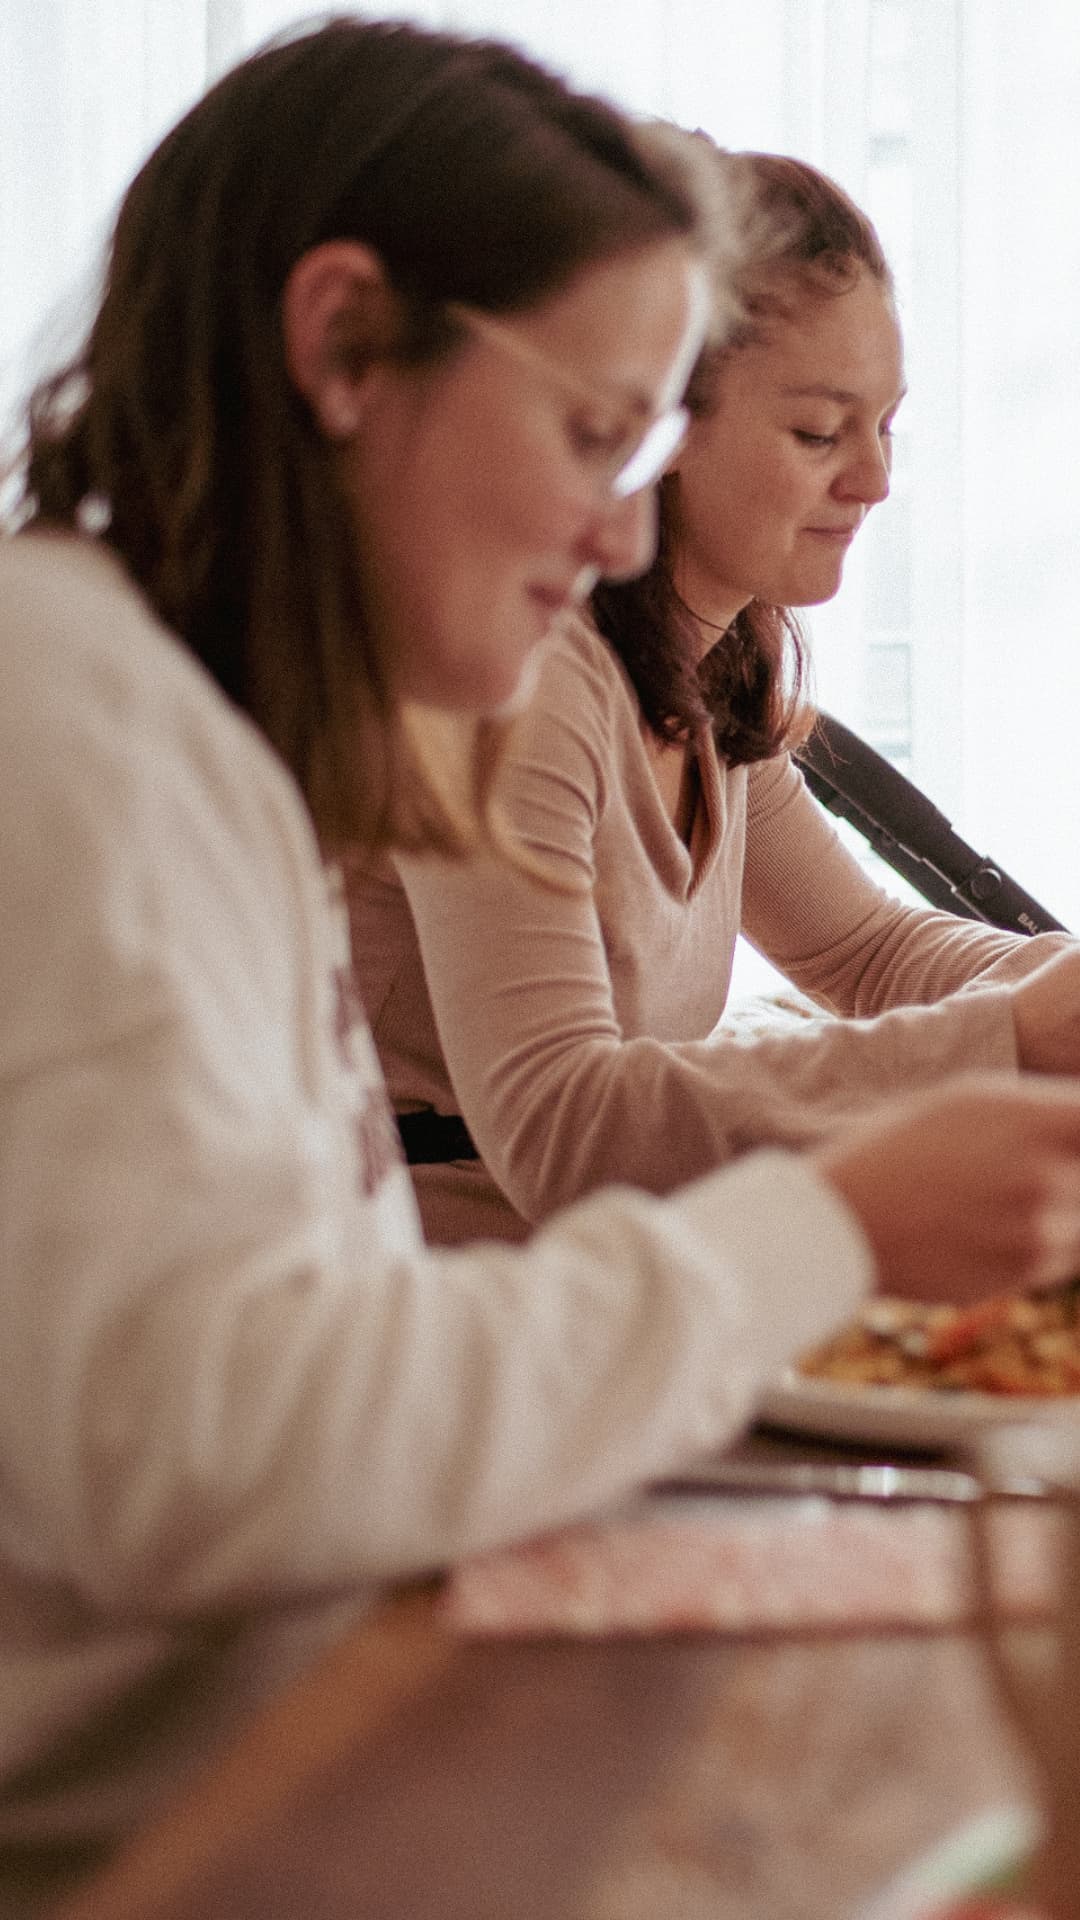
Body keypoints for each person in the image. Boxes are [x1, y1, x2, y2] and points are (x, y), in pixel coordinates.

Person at [5, 23, 1080, 1909]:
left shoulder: (206, 732)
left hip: (294, 1707)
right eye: (596, 437)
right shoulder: (74, 728)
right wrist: (831, 1224)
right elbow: (213, 1451)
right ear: (345, 346)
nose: (618, 529)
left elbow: (292, 1367)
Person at [348, 146, 1080, 1246]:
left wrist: (1055, 993)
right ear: (662, 423)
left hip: (611, 1275)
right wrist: (1015, 1034)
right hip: (440, 1294)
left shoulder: (710, 673)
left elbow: (863, 950)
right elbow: (560, 1127)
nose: (876, 480)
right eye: (820, 432)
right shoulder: (525, 682)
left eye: (886, 426)